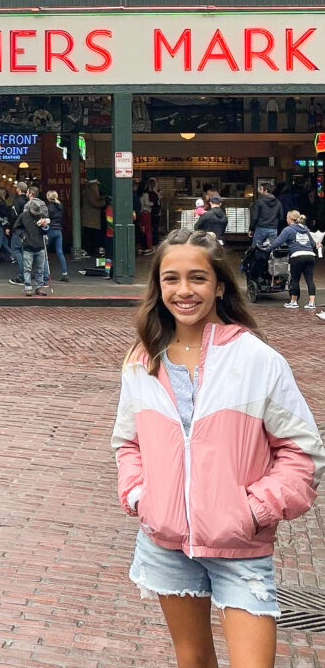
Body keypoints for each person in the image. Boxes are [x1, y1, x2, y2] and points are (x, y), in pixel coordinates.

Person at [112, 228, 325, 668]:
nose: (183, 291)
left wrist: (252, 511)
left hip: (241, 547)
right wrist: (140, 497)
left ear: (220, 285)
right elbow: (127, 442)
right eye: (171, 279)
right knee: (192, 660)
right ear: (158, 287)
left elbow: (301, 452)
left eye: (197, 278)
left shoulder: (256, 359)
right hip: (165, 543)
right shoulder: (141, 360)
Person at [263, 210, 317, 310]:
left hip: (297, 256)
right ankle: (312, 303)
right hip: (310, 256)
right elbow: (313, 244)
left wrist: (266, 250)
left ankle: (293, 302)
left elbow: (277, 242)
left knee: (295, 279)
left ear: (290, 219)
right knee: (309, 279)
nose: (286, 219)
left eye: (287, 218)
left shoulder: (288, 229)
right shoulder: (305, 228)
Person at [13, 197, 50, 297]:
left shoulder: (41, 216)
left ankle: (38, 287)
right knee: (28, 268)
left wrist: (44, 226)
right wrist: (22, 235)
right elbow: (16, 227)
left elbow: (45, 230)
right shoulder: (23, 216)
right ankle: (28, 287)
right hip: (28, 245)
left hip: (39, 245)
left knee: (40, 269)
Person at [250, 183, 283, 249]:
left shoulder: (259, 202)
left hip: (261, 228)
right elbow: (281, 217)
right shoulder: (278, 202)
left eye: (261, 189)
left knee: (256, 248)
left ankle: (257, 259)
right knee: (271, 249)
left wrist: (251, 228)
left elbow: (255, 217)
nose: (259, 190)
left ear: (266, 191)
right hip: (273, 229)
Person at [8, 182, 29, 285]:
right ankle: (27, 274)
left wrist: (10, 226)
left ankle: (22, 276)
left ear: (19, 189)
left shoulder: (17, 200)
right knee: (25, 252)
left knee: (16, 250)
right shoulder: (28, 201)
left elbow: (14, 215)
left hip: (18, 229)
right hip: (27, 229)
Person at [45, 189, 67, 281]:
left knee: (44, 252)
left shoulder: (48, 207)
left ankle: (45, 274)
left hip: (50, 229)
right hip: (59, 230)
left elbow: (46, 218)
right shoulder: (60, 206)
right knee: (60, 252)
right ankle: (65, 274)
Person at [81, 179, 107, 256]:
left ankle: (89, 250)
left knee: (89, 235)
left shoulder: (86, 191)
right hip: (92, 219)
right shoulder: (91, 192)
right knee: (92, 236)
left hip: (89, 219)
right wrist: (104, 201)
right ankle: (91, 251)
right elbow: (95, 203)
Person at [138, 185, 154, 254]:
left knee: (142, 230)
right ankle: (149, 247)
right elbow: (147, 203)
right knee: (148, 231)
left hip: (140, 214)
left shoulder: (138, 194)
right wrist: (153, 203)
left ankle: (141, 247)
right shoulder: (146, 194)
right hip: (146, 213)